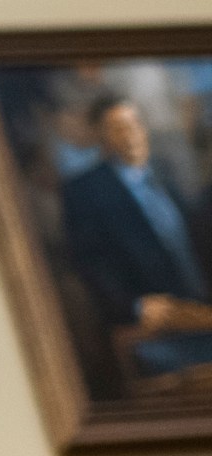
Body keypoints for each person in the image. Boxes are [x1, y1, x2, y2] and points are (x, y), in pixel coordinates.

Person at [61, 96, 212, 378]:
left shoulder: (164, 174)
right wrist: (135, 307)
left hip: (198, 310)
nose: (130, 135)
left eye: (134, 124)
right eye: (118, 128)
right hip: (151, 327)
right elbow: (91, 263)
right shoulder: (86, 191)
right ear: (101, 137)